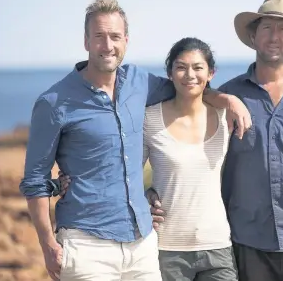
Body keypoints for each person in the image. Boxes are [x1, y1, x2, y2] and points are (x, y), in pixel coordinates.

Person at [18, 0, 251, 281]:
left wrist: (228, 99)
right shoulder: (54, 102)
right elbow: (34, 180)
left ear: (126, 40)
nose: (108, 45)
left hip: (142, 244)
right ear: (86, 41)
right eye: (99, 37)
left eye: (115, 36)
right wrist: (47, 244)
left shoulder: (139, 82)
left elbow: (188, 86)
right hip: (86, 244)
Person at [150, 0, 283, 281]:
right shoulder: (227, 100)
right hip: (249, 251)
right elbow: (190, 133)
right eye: (267, 28)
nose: (274, 36)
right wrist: (151, 194)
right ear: (253, 36)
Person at [58, 37, 239, 281]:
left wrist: (231, 99)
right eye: (181, 67)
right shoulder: (149, 118)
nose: (190, 75)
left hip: (217, 245)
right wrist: (76, 177)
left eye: (198, 67)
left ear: (211, 73)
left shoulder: (228, 116)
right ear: (170, 73)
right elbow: (124, 170)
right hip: (167, 249)